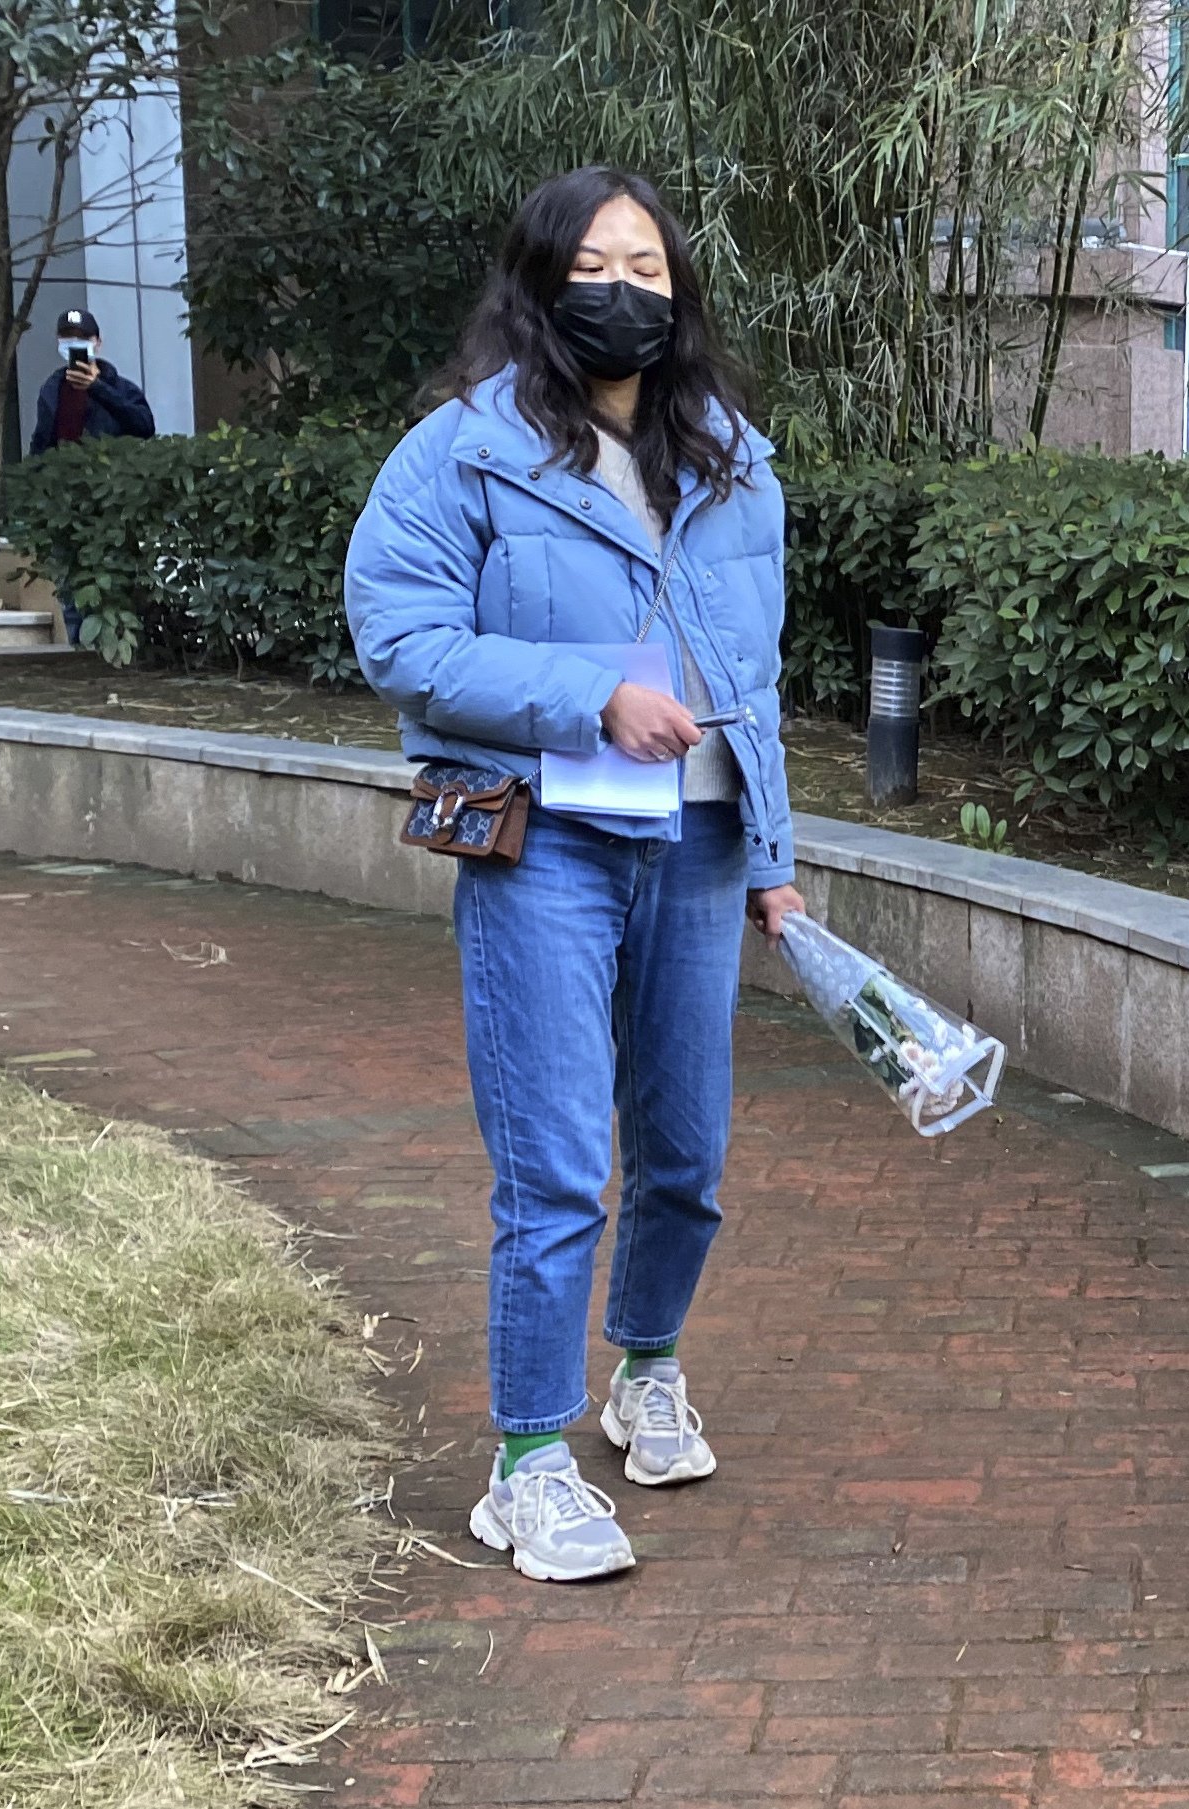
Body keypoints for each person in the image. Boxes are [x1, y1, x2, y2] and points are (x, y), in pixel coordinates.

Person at [344, 167, 804, 1584]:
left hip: (701, 842)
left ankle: (646, 1370)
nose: (628, 289)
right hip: (544, 839)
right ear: (541, 283)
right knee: (553, 1168)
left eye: (652, 269)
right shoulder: (461, 453)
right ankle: (526, 1461)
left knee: (690, 1157)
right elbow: (401, 639)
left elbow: (755, 676)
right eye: (599, 264)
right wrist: (588, 695)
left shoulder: (733, 458)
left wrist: (776, 861)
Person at [27, 308, 157, 455]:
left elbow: (145, 427)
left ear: (98, 343)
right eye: (67, 336)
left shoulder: (121, 388)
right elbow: (41, 440)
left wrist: (98, 388)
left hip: (107, 473)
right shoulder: (52, 388)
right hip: (61, 473)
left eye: (83, 337)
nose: (75, 342)